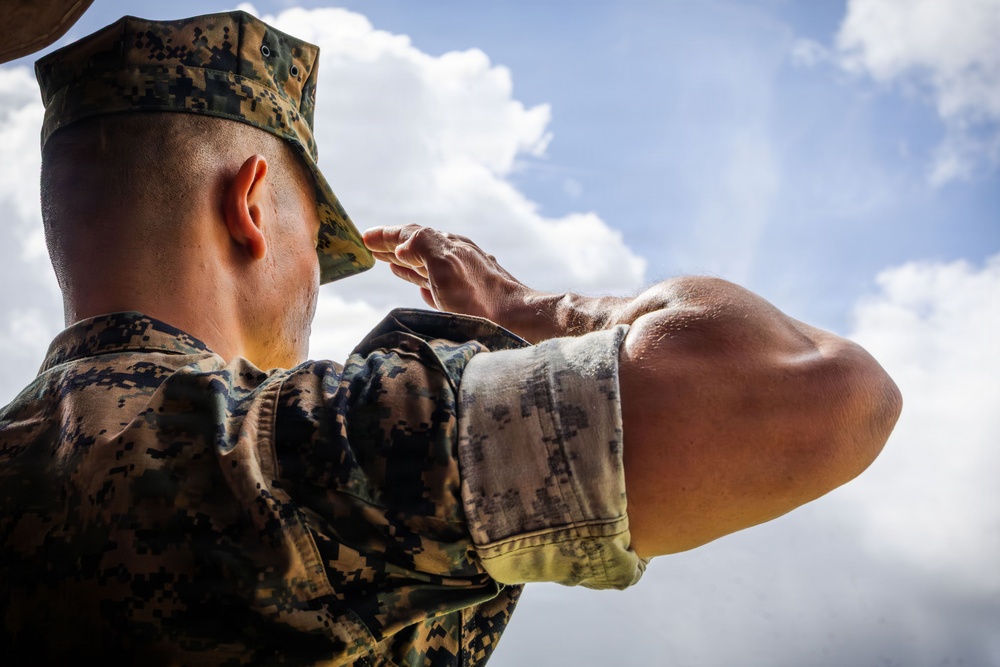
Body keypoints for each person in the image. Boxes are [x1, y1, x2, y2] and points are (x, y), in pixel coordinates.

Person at [0, 10, 902, 667]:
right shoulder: (281, 452)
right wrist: (530, 310)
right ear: (250, 208)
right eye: (318, 245)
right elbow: (819, 389)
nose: (313, 289)